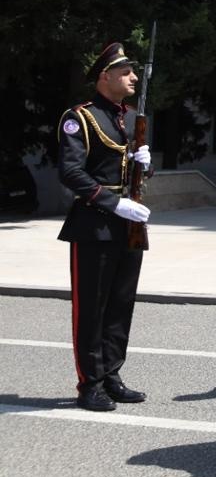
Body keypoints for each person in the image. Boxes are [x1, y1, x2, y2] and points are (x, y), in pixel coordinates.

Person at [57, 42, 152, 412]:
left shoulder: (123, 118)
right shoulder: (80, 117)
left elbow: (126, 169)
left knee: (120, 304)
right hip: (95, 224)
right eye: (126, 72)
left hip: (127, 226)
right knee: (92, 308)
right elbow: (71, 172)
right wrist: (115, 202)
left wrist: (145, 163)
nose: (132, 78)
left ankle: (112, 374)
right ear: (105, 77)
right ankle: (90, 383)